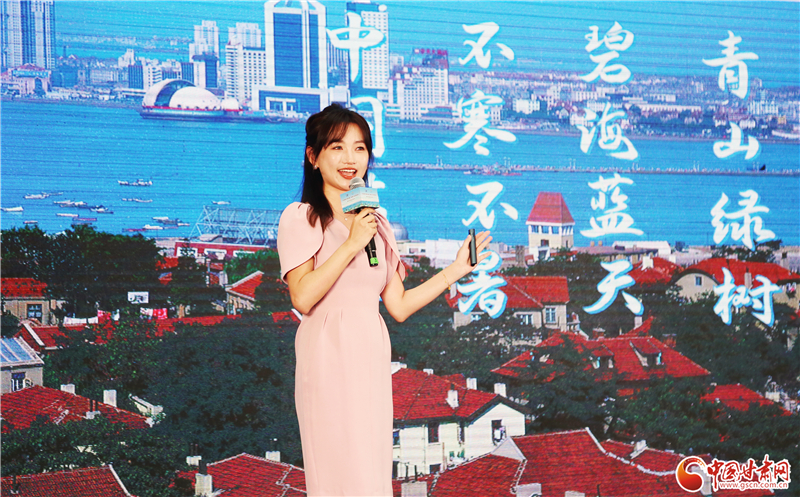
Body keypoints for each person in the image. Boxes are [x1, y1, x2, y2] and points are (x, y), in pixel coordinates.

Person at [277, 103, 491, 497]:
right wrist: (351, 242)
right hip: (326, 355)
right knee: (338, 471)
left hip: (371, 355)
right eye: (337, 147)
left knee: (371, 471)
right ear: (313, 157)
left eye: (359, 148)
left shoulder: (375, 221)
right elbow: (303, 297)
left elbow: (399, 305)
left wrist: (457, 270)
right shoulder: (301, 216)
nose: (350, 159)